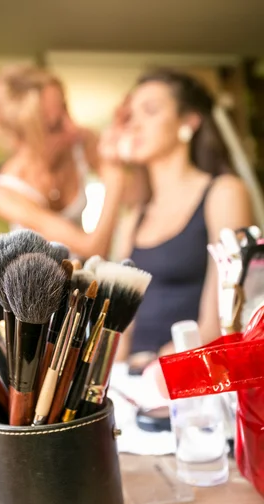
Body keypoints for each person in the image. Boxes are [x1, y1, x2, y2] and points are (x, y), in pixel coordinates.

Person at [111, 69, 253, 363]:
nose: (135, 124)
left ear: (189, 121)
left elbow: (224, 320)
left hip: (195, 380)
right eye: (130, 115)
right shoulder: (134, 217)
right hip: (137, 385)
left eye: (149, 111)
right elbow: (121, 325)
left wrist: (168, 364)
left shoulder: (223, 193)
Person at [0, 64, 133, 258]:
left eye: (66, 108)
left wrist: (124, 142)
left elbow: (134, 195)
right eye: (55, 126)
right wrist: (115, 177)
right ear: (21, 139)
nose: (73, 127)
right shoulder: (6, 194)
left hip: (84, 280)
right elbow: (93, 248)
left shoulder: (81, 142)